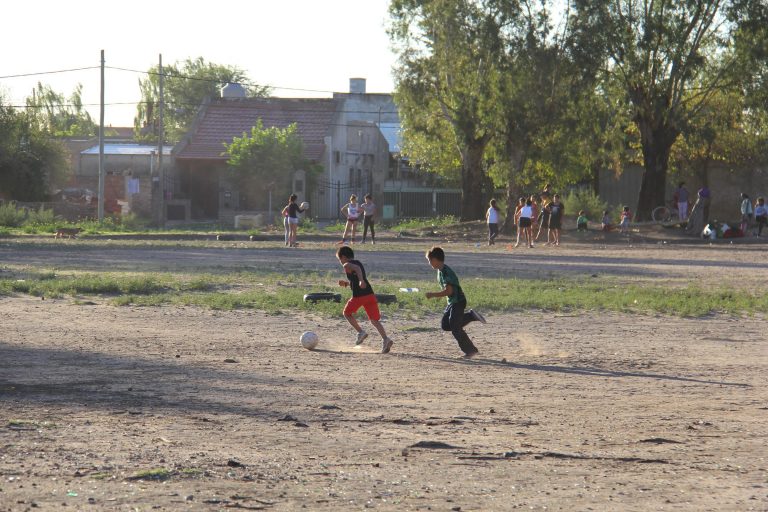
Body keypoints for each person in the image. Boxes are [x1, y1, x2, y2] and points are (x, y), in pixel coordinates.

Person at [424, 246, 486, 358]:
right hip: (452, 302)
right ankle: (471, 316)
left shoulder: (446, 272)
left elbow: (449, 291)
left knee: (455, 328)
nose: (429, 263)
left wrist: (433, 295)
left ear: (435, 259)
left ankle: (471, 351)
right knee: (445, 325)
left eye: (429, 260)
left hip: (458, 301)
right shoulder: (440, 271)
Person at [336, 246, 394, 353]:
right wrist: (347, 283)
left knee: (346, 313)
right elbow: (356, 277)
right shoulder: (358, 262)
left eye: (340, 259)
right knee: (374, 320)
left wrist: (361, 281)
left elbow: (357, 272)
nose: (340, 262)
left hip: (359, 296)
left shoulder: (346, 265)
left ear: (343, 257)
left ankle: (360, 332)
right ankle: (386, 339)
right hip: (370, 295)